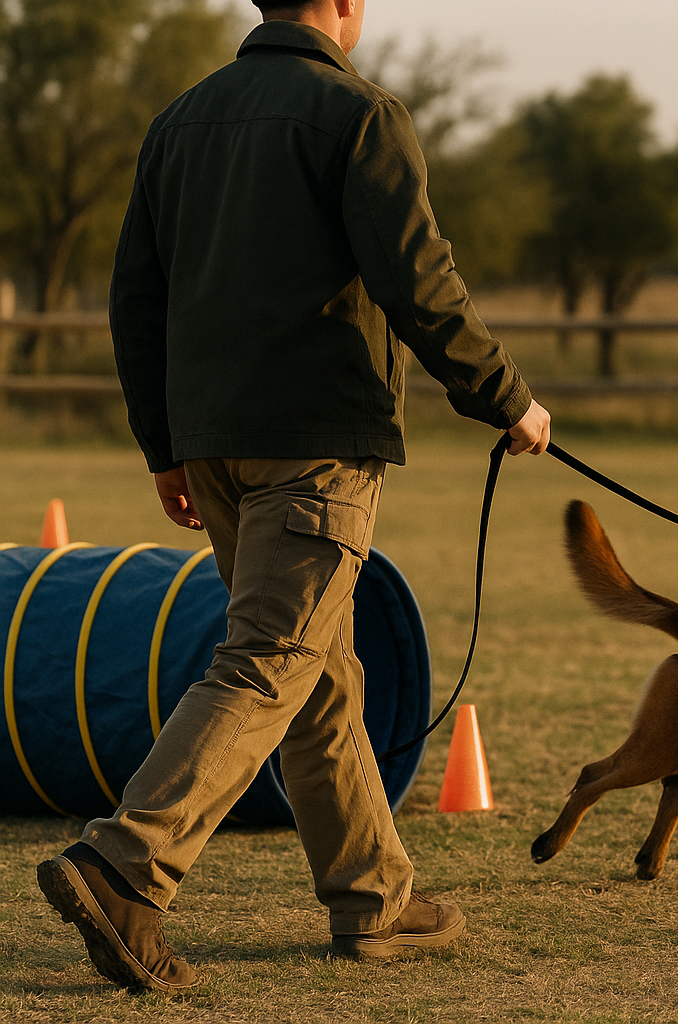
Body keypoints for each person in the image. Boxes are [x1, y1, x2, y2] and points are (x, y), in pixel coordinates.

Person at [36, 0, 550, 993]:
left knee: (322, 673)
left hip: (214, 445)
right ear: (347, 5)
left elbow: (135, 297)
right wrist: (508, 399)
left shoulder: (179, 122)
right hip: (315, 448)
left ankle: (376, 900)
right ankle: (124, 866)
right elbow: (420, 280)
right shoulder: (360, 116)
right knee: (274, 658)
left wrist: (166, 445)